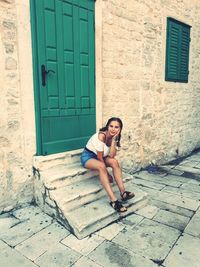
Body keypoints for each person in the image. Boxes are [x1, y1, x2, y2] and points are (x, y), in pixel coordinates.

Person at [80, 117, 135, 212]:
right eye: (111, 126)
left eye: (116, 127)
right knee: (101, 167)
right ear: (107, 126)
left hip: (102, 157)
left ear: (120, 129)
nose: (113, 129)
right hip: (89, 157)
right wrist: (108, 174)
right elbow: (100, 158)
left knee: (114, 162)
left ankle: (123, 193)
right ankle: (113, 200)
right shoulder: (101, 136)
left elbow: (112, 156)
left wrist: (114, 140)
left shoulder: (115, 138)